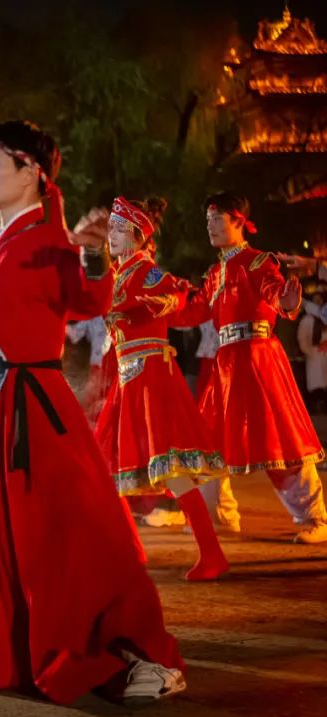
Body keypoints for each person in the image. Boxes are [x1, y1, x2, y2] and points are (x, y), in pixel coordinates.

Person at [0, 121, 185, 704]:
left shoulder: (52, 240)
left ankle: (147, 656)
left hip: (32, 408)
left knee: (71, 537)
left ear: (32, 173)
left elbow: (89, 298)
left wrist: (94, 254)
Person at [176, 192, 327, 544]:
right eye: (208, 220)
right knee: (210, 440)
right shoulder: (215, 273)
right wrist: (162, 306)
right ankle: (219, 515)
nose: (210, 227)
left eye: (217, 219)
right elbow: (193, 312)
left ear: (239, 222)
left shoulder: (258, 262)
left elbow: (276, 293)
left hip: (258, 359)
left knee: (278, 438)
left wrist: (287, 300)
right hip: (226, 365)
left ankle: (314, 517)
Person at [93, 196, 228, 581]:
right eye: (111, 228)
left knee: (169, 467)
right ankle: (121, 552)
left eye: (121, 229)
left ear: (139, 237)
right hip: (128, 380)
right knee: (107, 466)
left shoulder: (145, 271)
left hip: (150, 377)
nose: (112, 235)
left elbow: (175, 297)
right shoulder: (117, 275)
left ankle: (211, 553)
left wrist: (167, 301)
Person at [297, 290, 327, 414]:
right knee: (315, 386)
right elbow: (302, 339)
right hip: (313, 357)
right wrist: (310, 351)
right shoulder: (307, 320)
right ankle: (316, 406)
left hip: (324, 356)